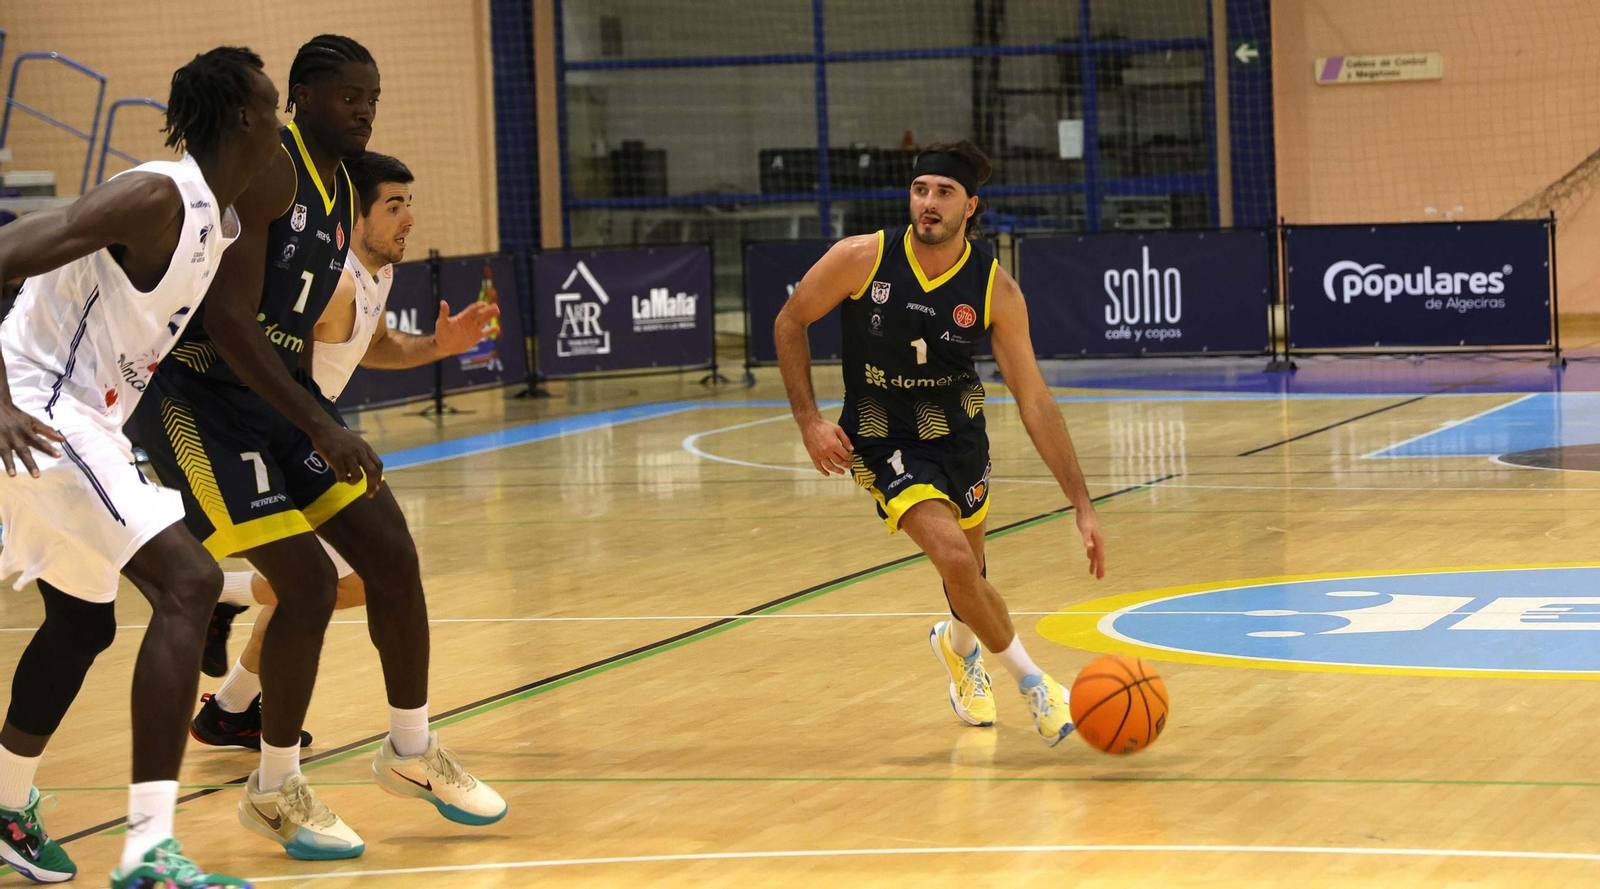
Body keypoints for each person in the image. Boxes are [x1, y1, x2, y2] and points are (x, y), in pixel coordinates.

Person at [131, 35, 504, 862]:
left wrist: (315, 415)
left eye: (372, 96)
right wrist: (319, 423)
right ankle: (272, 787)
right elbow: (228, 321)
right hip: (198, 400)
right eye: (347, 96)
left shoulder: (343, 186)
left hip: (278, 402)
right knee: (304, 582)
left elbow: (292, 326)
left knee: (392, 556)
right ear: (301, 96)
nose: (364, 109)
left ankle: (410, 750)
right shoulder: (275, 170)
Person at [0, 47, 281, 887]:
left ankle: (7, 803)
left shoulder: (219, 219)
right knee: (189, 582)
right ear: (241, 116)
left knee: (83, 624)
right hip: (38, 408)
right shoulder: (157, 191)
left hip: (88, 418)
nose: (282, 122)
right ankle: (149, 852)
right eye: (275, 106)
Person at [773, 140, 1106, 746]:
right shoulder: (860, 259)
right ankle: (1037, 688)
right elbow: (790, 320)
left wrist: (1081, 502)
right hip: (878, 435)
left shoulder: (994, 289)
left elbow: (1035, 400)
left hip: (959, 436)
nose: (927, 203)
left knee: (970, 574)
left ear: (969, 207)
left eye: (943, 193)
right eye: (920, 190)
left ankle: (958, 652)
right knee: (954, 560)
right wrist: (809, 421)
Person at [192, 151, 497, 750]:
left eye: (410, 203)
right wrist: (315, 434)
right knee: (347, 583)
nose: (408, 218)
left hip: (306, 437)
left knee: (328, 584)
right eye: (393, 205)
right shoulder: (325, 282)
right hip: (277, 440)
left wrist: (439, 345)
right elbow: (266, 361)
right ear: (355, 217)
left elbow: (375, 344)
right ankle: (226, 621)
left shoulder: (376, 272)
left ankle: (230, 707)